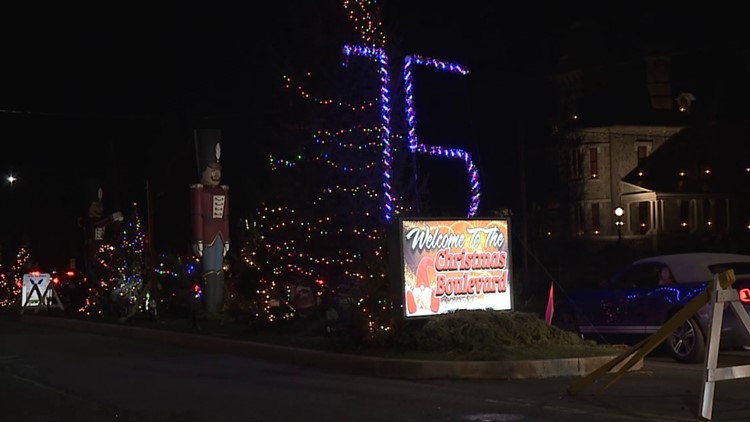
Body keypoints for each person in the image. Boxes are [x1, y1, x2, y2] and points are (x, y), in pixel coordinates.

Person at [190, 128, 230, 320]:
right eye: (211, 170)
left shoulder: (223, 191)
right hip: (206, 237)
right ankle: (209, 307)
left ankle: (217, 306)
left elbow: (225, 218)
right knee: (209, 271)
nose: (215, 174)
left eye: (218, 171)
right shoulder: (199, 192)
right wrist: (197, 239)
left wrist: (227, 238)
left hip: (220, 237)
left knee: (219, 270)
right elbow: (197, 215)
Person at [78, 186, 123, 285]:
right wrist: (112, 218)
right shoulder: (85, 220)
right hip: (90, 255)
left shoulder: (104, 220)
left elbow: (112, 231)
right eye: (96, 206)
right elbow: (94, 225)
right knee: (94, 279)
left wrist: (118, 221)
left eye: (100, 206)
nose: (99, 209)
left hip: (104, 255)